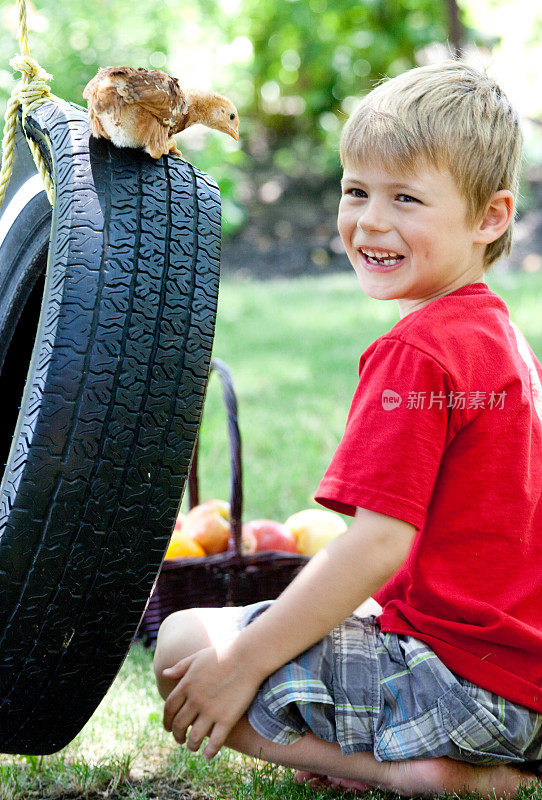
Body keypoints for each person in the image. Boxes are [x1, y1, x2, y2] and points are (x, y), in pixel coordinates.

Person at [152, 58, 542, 798]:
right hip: (523, 685)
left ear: (489, 217)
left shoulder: (416, 353)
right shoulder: (501, 339)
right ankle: (458, 757)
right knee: (315, 622)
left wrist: (244, 661)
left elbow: (376, 543)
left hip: (453, 686)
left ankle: (427, 776)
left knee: (184, 648)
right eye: (356, 190)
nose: (370, 221)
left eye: (406, 198)